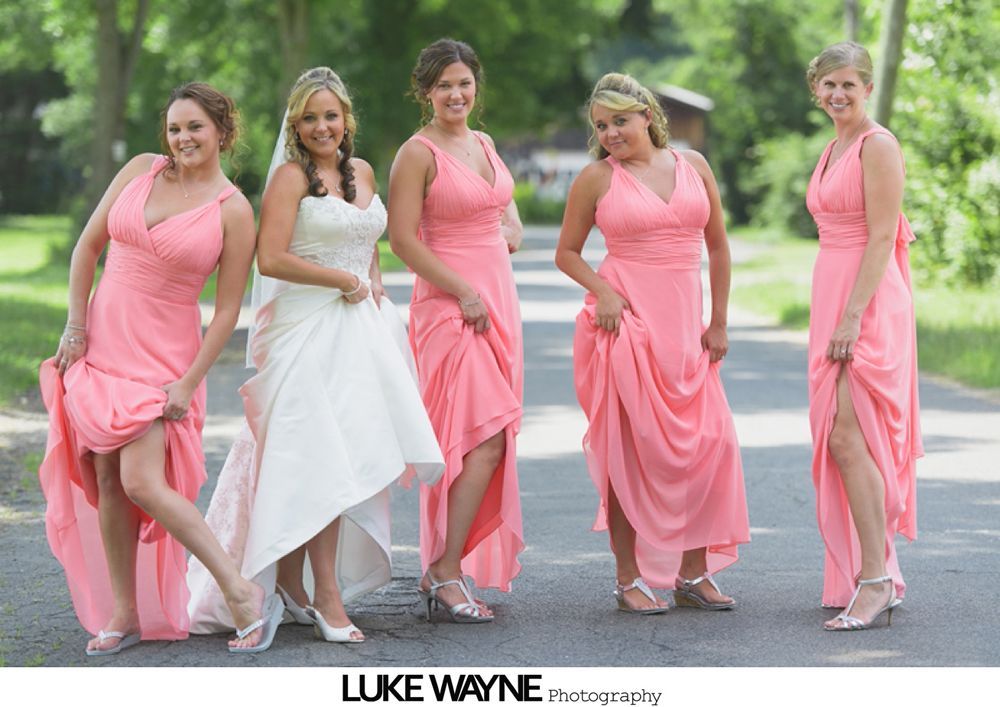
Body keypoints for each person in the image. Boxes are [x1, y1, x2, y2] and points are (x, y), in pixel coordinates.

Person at [186, 67, 444, 646]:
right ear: (296, 125)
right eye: (309, 118)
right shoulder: (287, 179)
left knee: (343, 455)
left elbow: (365, 238)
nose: (321, 127)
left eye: (330, 115)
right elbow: (270, 259)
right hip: (307, 332)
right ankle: (325, 597)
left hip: (362, 333)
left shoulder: (363, 173)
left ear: (346, 119)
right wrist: (341, 280)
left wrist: (371, 279)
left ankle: (292, 585)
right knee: (319, 461)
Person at [37, 83, 286, 655]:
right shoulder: (140, 170)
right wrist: (75, 325)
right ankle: (124, 613)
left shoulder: (235, 209)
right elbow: (86, 248)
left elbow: (227, 310)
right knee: (106, 480)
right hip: (101, 343)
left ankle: (242, 593)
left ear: (223, 131)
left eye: (195, 127)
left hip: (162, 357)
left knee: (141, 482)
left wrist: (190, 379)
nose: (183, 139)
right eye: (175, 128)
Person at [554, 73, 750, 614]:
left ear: (646, 114)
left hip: (688, 330)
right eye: (600, 125)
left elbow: (718, 249)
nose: (611, 133)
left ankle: (692, 572)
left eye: (619, 120)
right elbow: (567, 252)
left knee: (708, 446)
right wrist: (604, 292)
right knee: (629, 451)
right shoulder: (596, 179)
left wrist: (720, 322)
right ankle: (628, 577)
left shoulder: (695, 166)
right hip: (628, 328)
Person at [388, 38, 525, 622]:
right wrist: (463, 289)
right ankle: (443, 569)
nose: (456, 94)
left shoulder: (486, 144)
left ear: (476, 86)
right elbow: (401, 240)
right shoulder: (416, 153)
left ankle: (449, 566)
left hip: (496, 300)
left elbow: (505, 210)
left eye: (464, 83)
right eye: (443, 85)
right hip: (449, 306)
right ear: (425, 92)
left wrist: (507, 227)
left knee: (489, 441)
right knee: (478, 438)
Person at [805, 42, 922, 631]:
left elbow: (881, 238)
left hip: (867, 302)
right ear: (816, 92)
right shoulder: (833, 148)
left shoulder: (878, 145)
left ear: (867, 87)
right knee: (843, 438)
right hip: (832, 296)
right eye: (828, 85)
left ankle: (876, 579)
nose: (838, 95)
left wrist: (852, 316)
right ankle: (874, 573)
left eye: (848, 84)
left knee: (852, 437)